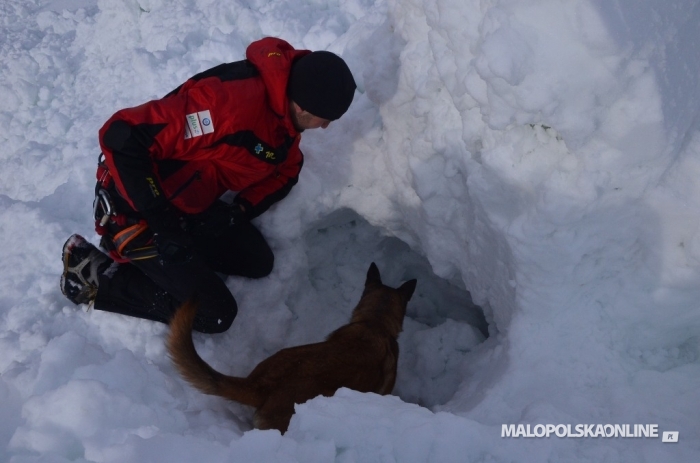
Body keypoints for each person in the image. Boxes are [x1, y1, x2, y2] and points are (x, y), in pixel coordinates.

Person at [59, 37, 356, 334]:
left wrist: (237, 210)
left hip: (185, 207)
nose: (327, 127)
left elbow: (287, 170)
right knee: (215, 314)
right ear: (303, 106)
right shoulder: (226, 106)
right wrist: (162, 222)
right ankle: (96, 275)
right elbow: (122, 136)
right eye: (326, 118)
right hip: (137, 211)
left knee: (257, 261)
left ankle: (176, 267)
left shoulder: (283, 121)